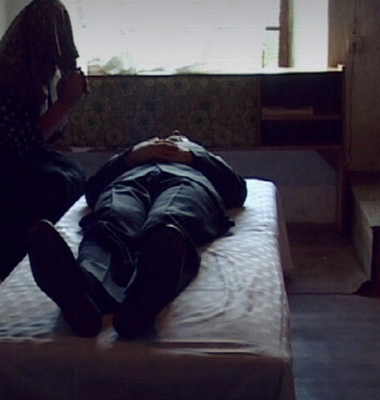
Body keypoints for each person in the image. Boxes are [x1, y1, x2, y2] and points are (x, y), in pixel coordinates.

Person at [27, 132, 247, 338]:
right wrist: (130, 157)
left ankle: (143, 297)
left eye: (176, 136)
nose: (168, 139)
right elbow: (92, 192)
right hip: (129, 183)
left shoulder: (198, 155)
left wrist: (193, 156)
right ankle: (86, 293)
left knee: (170, 220)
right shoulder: (133, 157)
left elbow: (236, 191)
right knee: (112, 220)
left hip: (187, 181)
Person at [0, 0, 89, 280]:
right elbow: (29, 140)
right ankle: (34, 270)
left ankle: (59, 261)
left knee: (73, 173)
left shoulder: (32, 71)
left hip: (7, 154)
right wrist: (66, 102)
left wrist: (64, 100)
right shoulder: (5, 77)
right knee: (54, 185)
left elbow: (40, 135)